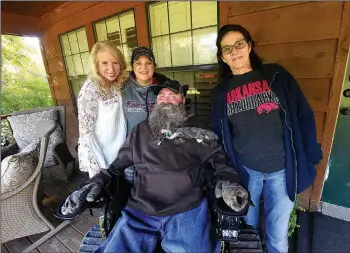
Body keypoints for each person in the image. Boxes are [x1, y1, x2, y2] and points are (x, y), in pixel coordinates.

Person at [61, 80, 249, 253]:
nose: (166, 100)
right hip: (141, 211)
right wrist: (94, 183)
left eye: (172, 96)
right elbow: (116, 167)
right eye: (161, 97)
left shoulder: (200, 129)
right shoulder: (141, 131)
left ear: (182, 100)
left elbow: (220, 163)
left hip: (187, 209)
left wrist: (229, 182)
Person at [211, 24, 323, 253]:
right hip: (245, 171)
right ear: (222, 57)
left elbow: (303, 114)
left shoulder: (276, 75)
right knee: (246, 229)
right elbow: (221, 134)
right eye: (227, 49)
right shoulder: (222, 92)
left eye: (239, 44)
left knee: (278, 234)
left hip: (282, 170)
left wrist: (311, 155)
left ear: (250, 46)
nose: (235, 51)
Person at [77, 41, 127, 178]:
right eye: (104, 63)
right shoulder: (90, 91)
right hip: (102, 157)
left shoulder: (116, 83)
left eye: (115, 62)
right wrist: (97, 170)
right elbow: (86, 136)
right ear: (96, 65)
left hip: (120, 151)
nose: (111, 69)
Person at [121, 47, 169, 136]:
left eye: (148, 63)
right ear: (132, 66)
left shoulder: (166, 88)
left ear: (153, 66)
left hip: (160, 144)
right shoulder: (121, 88)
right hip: (131, 145)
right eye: (138, 63)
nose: (144, 67)